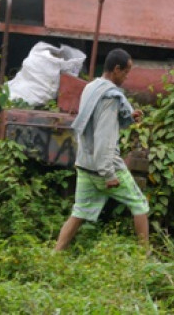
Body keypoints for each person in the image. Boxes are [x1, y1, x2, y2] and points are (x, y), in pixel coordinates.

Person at [55, 48, 150, 251]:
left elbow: (93, 121)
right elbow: (104, 137)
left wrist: (127, 117)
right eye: (126, 72)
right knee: (139, 205)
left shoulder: (91, 88)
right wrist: (108, 173)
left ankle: (55, 254)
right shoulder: (110, 98)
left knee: (79, 213)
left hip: (85, 163)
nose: (126, 77)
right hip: (104, 167)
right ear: (116, 69)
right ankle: (144, 259)